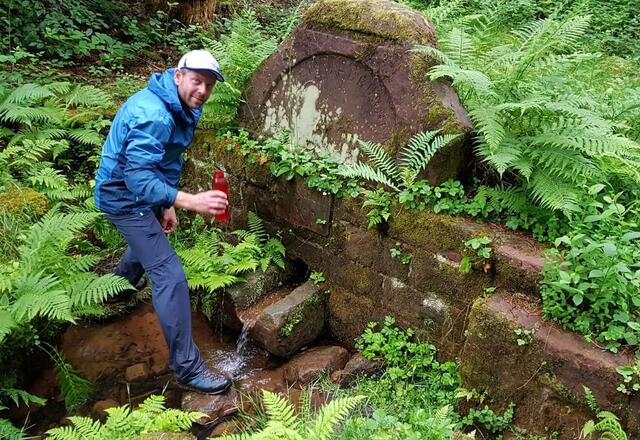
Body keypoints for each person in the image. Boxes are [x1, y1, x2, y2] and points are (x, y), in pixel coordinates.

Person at [94, 50, 232, 395]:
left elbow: (168, 157)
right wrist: (188, 200)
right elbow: (138, 176)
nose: (202, 90)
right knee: (169, 275)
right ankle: (187, 368)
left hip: (140, 195)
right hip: (124, 197)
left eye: (209, 85)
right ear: (178, 75)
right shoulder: (154, 113)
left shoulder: (180, 105)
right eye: (197, 81)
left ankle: (114, 291)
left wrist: (164, 204)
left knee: (151, 241)